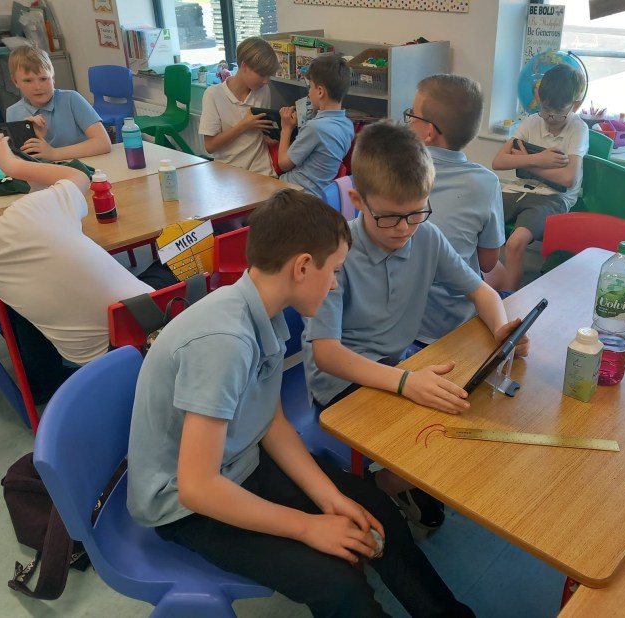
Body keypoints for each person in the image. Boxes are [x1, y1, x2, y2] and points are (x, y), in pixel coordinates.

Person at [127, 189, 474, 618]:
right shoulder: (224, 342)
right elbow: (198, 488)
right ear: (303, 266)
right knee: (337, 581)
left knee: (374, 510)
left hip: (240, 463)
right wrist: (308, 526)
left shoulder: (264, 310)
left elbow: (269, 423)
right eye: (335, 271)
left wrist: (329, 498)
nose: (335, 284)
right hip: (185, 505)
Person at [303, 121, 529, 529]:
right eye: (390, 217)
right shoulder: (335, 255)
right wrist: (406, 382)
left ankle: (391, 483)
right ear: (357, 200)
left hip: (396, 364)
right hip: (342, 381)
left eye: (416, 213)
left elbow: (482, 292)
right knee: (439, 433)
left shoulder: (426, 236)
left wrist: (500, 329)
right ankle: (377, 488)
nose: (404, 229)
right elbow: (327, 354)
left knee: (471, 413)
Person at [0, 134, 170, 402]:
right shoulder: (26, 213)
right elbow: (78, 177)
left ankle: (42, 383)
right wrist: (14, 166)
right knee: (172, 257)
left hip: (97, 365)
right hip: (154, 326)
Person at [405, 73, 505, 343]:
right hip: (457, 325)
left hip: (402, 325)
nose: (409, 121)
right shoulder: (486, 183)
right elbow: (488, 262)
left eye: (412, 115)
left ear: (429, 131)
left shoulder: (395, 171)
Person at [491, 63, 589, 290]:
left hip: (553, 198)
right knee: (478, 226)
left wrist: (529, 163)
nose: (550, 118)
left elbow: (568, 179)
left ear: (575, 105)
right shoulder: (532, 121)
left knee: (514, 243)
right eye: (545, 109)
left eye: (558, 112)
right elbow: (499, 161)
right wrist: (539, 159)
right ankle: (483, 289)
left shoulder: (578, 129)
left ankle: (509, 300)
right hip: (517, 190)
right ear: (538, 97)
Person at [6, 45, 111, 161]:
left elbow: (103, 143)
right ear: (15, 81)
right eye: (28, 80)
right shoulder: (13, 112)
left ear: (53, 77)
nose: (37, 87)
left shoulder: (71, 99)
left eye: (43, 78)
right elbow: (18, 158)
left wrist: (54, 153)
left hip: (85, 166)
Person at [199, 36, 279, 175]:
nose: (266, 81)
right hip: (228, 174)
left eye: (269, 76)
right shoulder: (213, 95)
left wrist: (267, 137)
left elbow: (260, 131)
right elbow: (210, 146)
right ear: (244, 66)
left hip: (263, 171)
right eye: (262, 74)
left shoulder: (263, 90)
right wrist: (244, 126)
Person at [277, 54, 354, 199]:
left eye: (310, 87)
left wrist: (286, 128)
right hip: (317, 195)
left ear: (320, 91)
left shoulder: (314, 128)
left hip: (292, 194)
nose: (308, 92)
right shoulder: (348, 126)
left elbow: (283, 164)